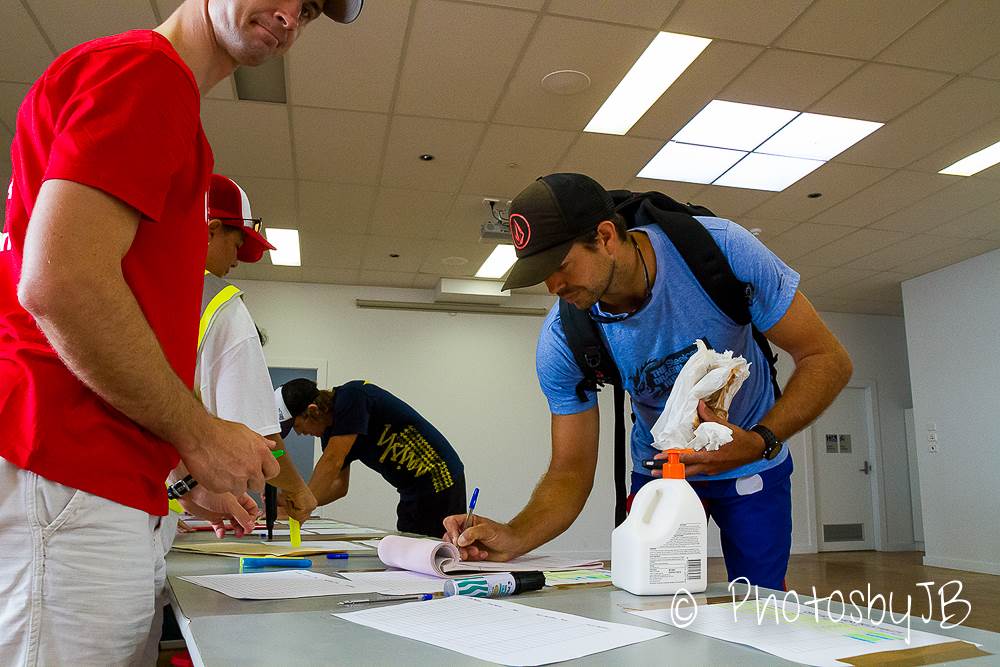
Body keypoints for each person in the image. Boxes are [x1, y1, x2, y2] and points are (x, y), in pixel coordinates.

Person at [0, 2, 361, 664]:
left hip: (91, 481)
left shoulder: (161, 98)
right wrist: (200, 434)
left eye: (308, 8)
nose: (288, 16)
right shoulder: (146, 74)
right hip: (70, 474)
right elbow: (59, 282)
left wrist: (179, 469)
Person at [443, 173, 852, 590]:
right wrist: (513, 536)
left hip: (751, 456)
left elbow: (827, 359)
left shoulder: (721, 250)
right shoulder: (565, 337)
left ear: (604, 236)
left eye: (560, 265)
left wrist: (760, 439)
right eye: (542, 274)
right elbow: (570, 469)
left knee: (759, 603)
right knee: (652, 601)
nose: (554, 286)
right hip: (661, 471)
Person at [275, 378, 467, 537]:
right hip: (412, 489)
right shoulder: (332, 434)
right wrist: (292, 501)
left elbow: (332, 461)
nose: (300, 434)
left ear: (313, 411)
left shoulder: (353, 396)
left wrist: (302, 502)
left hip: (441, 477)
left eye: (298, 427)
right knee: (409, 544)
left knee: (436, 547)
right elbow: (338, 487)